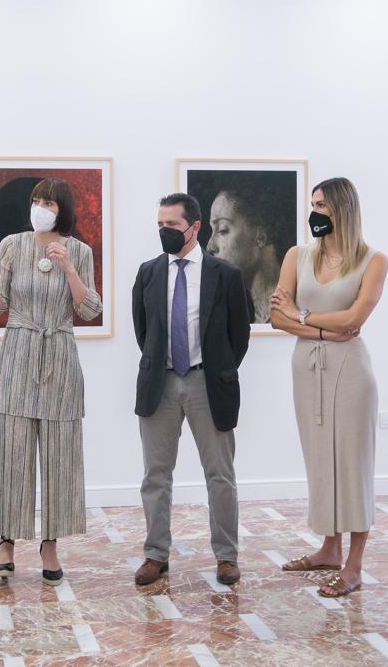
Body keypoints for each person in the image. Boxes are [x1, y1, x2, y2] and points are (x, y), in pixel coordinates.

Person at [0, 178, 101, 585]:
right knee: (12, 453)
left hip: (59, 354)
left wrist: (70, 269)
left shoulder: (80, 251)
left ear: (63, 210)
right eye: (36, 200)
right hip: (18, 353)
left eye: (49, 202)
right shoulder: (12, 246)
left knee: (60, 457)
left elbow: (90, 309)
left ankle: (50, 542)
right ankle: (6, 541)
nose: (40, 207)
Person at [269, 177, 387, 599]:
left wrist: (301, 316)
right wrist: (317, 325)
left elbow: (356, 318)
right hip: (309, 364)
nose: (315, 212)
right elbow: (276, 315)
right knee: (320, 459)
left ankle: (354, 565)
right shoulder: (297, 255)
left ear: (342, 209)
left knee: (352, 465)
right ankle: (328, 548)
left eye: (322, 205)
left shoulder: (373, 261)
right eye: (313, 204)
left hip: (351, 370)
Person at [131, 193, 252, 587]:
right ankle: (155, 555)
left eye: (172, 225)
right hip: (160, 384)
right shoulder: (148, 273)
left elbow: (240, 336)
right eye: (160, 225)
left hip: (207, 383)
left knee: (220, 475)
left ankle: (226, 556)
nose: (164, 232)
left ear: (195, 228)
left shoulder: (226, 274)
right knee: (156, 475)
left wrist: (217, 370)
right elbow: (143, 331)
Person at [205, 187, 284, 324]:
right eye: (213, 230)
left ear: (261, 236)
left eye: (222, 230)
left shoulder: (300, 300)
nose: (210, 246)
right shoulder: (224, 304)